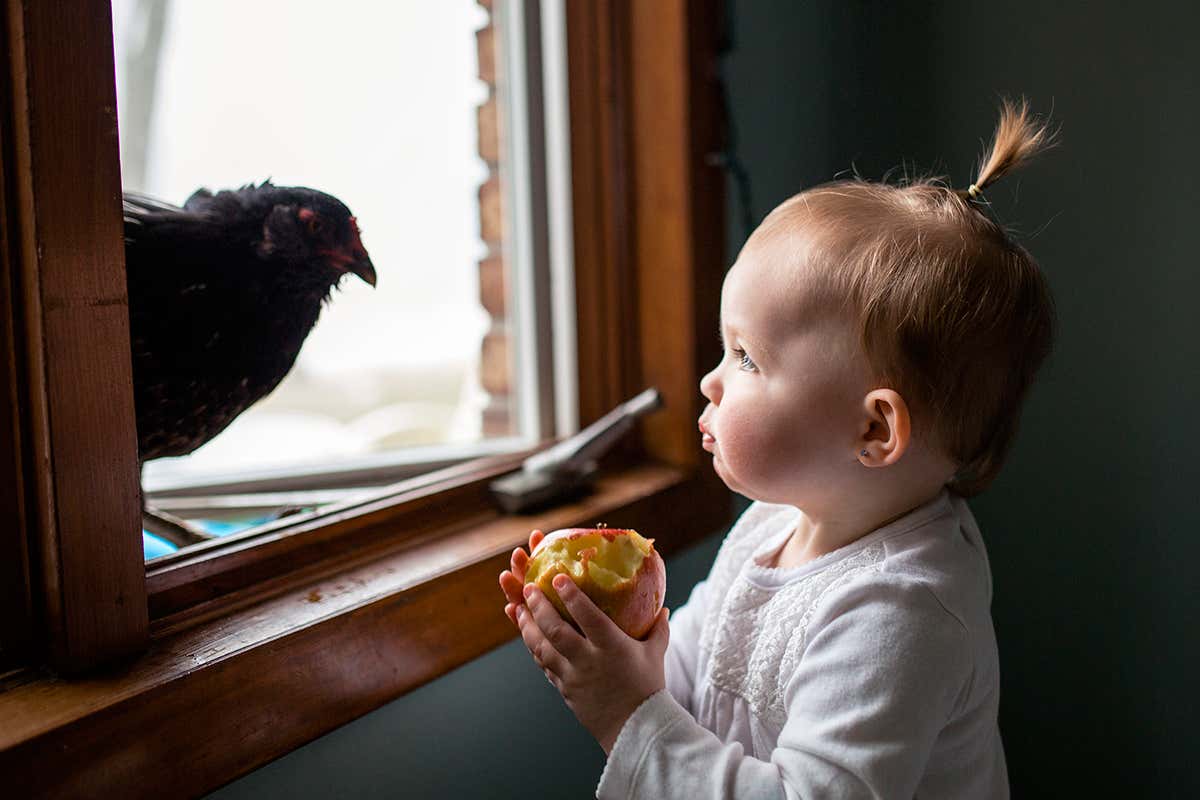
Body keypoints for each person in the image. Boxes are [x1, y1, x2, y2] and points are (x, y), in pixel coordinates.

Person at [498, 99, 1055, 799]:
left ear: (874, 432)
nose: (711, 380)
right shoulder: (776, 522)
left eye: (747, 358)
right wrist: (606, 653)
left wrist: (625, 714)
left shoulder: (903, 613)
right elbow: (689, 675)